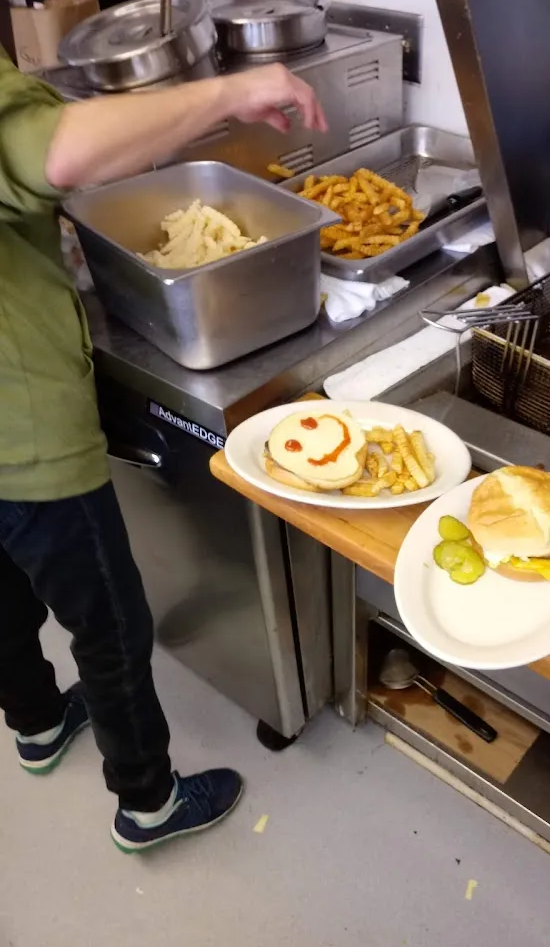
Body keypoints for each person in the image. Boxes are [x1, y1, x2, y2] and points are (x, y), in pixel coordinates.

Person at [0, 46, 327, 853]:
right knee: (107, 626)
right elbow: (61, 151)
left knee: (2, 603)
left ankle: (38, 726)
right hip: (27, 434)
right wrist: (235, 87)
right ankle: (148, 802)